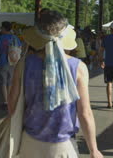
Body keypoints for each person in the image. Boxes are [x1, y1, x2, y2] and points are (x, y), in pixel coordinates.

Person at [8, 10, 103, 158]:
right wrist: (94, 150)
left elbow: (12, 103)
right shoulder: (78, 67)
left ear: (38, 35)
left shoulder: (24, 64)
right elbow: (85, 113)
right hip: (63, 147)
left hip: (29, 143)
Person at [0, 21, 22, 109]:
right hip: (13, 62)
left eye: (1, 28)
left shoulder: (0, 38)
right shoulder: (15, 38)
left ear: (5, 29)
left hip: (2, 62)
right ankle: (10, 99)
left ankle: (6, 102)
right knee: (10, 82)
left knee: (3, 83)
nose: (0, 29)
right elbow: (20, 48)